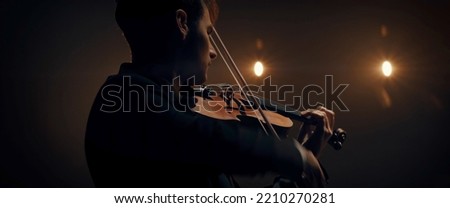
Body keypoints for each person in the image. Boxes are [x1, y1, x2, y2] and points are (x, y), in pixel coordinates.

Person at [84, 0, 335, 188]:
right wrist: (291, 154)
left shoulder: (170, 113)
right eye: (208, 32)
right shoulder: (121, 99)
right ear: (182, 23)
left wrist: (306, 158)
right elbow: (203, 136)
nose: (213, 52)